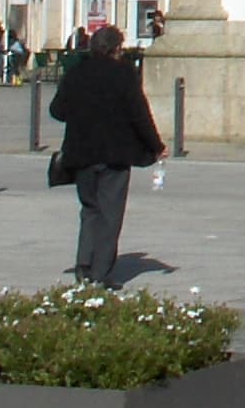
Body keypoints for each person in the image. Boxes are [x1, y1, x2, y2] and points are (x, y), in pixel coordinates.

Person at [48, 24, 163, 288]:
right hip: (115, 154)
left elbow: (57, 110)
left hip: (81, 153)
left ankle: (83, 266)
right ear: (116, 49)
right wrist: (155, 144)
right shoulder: (123, 74)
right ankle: (101, 272)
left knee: (90, 210)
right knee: (110, 214)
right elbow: (139, 114)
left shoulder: (77, 72)